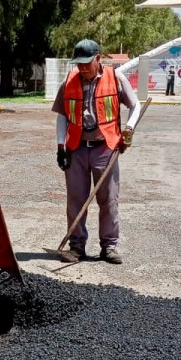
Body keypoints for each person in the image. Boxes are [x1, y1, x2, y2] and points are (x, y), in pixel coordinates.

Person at [52, 39, 141, 264]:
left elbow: (135, 105)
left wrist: (128, 129)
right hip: (76, 149)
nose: (82, 68)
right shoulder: (69, 80)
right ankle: (76, 247)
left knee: (108, 200)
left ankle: (109, 247)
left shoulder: (116, 78)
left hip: (105, 148)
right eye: (79, 63)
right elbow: (62, 115)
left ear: (98, 58)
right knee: (76, 200)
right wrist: (60, 146)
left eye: (86, 63)